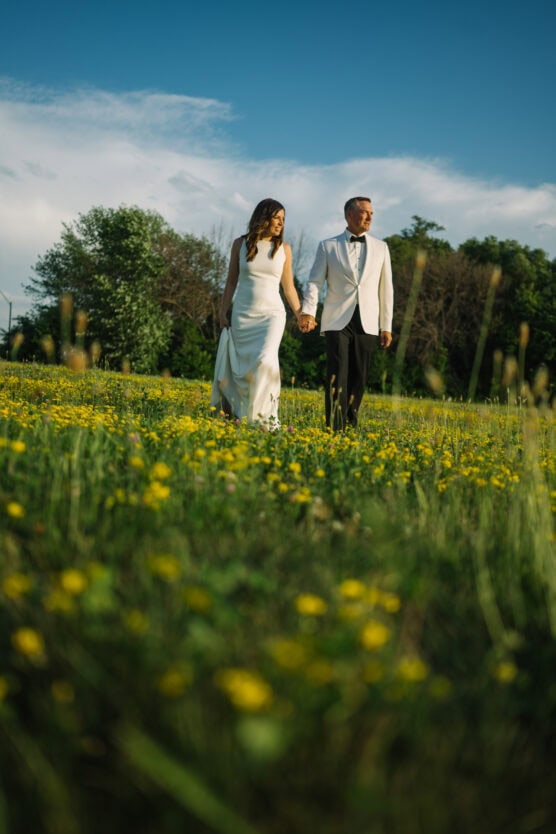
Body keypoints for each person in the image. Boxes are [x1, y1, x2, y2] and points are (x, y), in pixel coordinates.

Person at [299, 196, 393, 429]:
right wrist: (309, 311)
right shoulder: (327, 246)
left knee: (360, 376)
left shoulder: (382, 248)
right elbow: (314, 281)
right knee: (337, 374)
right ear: (349, 215)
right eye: (364, 212)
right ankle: (335, 425)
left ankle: (350, 423)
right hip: (336, 320)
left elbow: (386, 289)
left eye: (372, 212)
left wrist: (386, 326)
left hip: (369, 321)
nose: (370, 216)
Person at [211, 198, 304, 427]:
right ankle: (241, 414)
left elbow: (289, 287)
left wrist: (301, 314)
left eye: (284, 219)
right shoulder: (239, 245)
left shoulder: (284, 249)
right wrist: (223, 311)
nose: (281, 223)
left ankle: (262, 419)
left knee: (264, 361)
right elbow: (231, 282)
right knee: (241, 369)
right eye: (277, 217)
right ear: (263, 217)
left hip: (272, 315)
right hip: (243, 315)